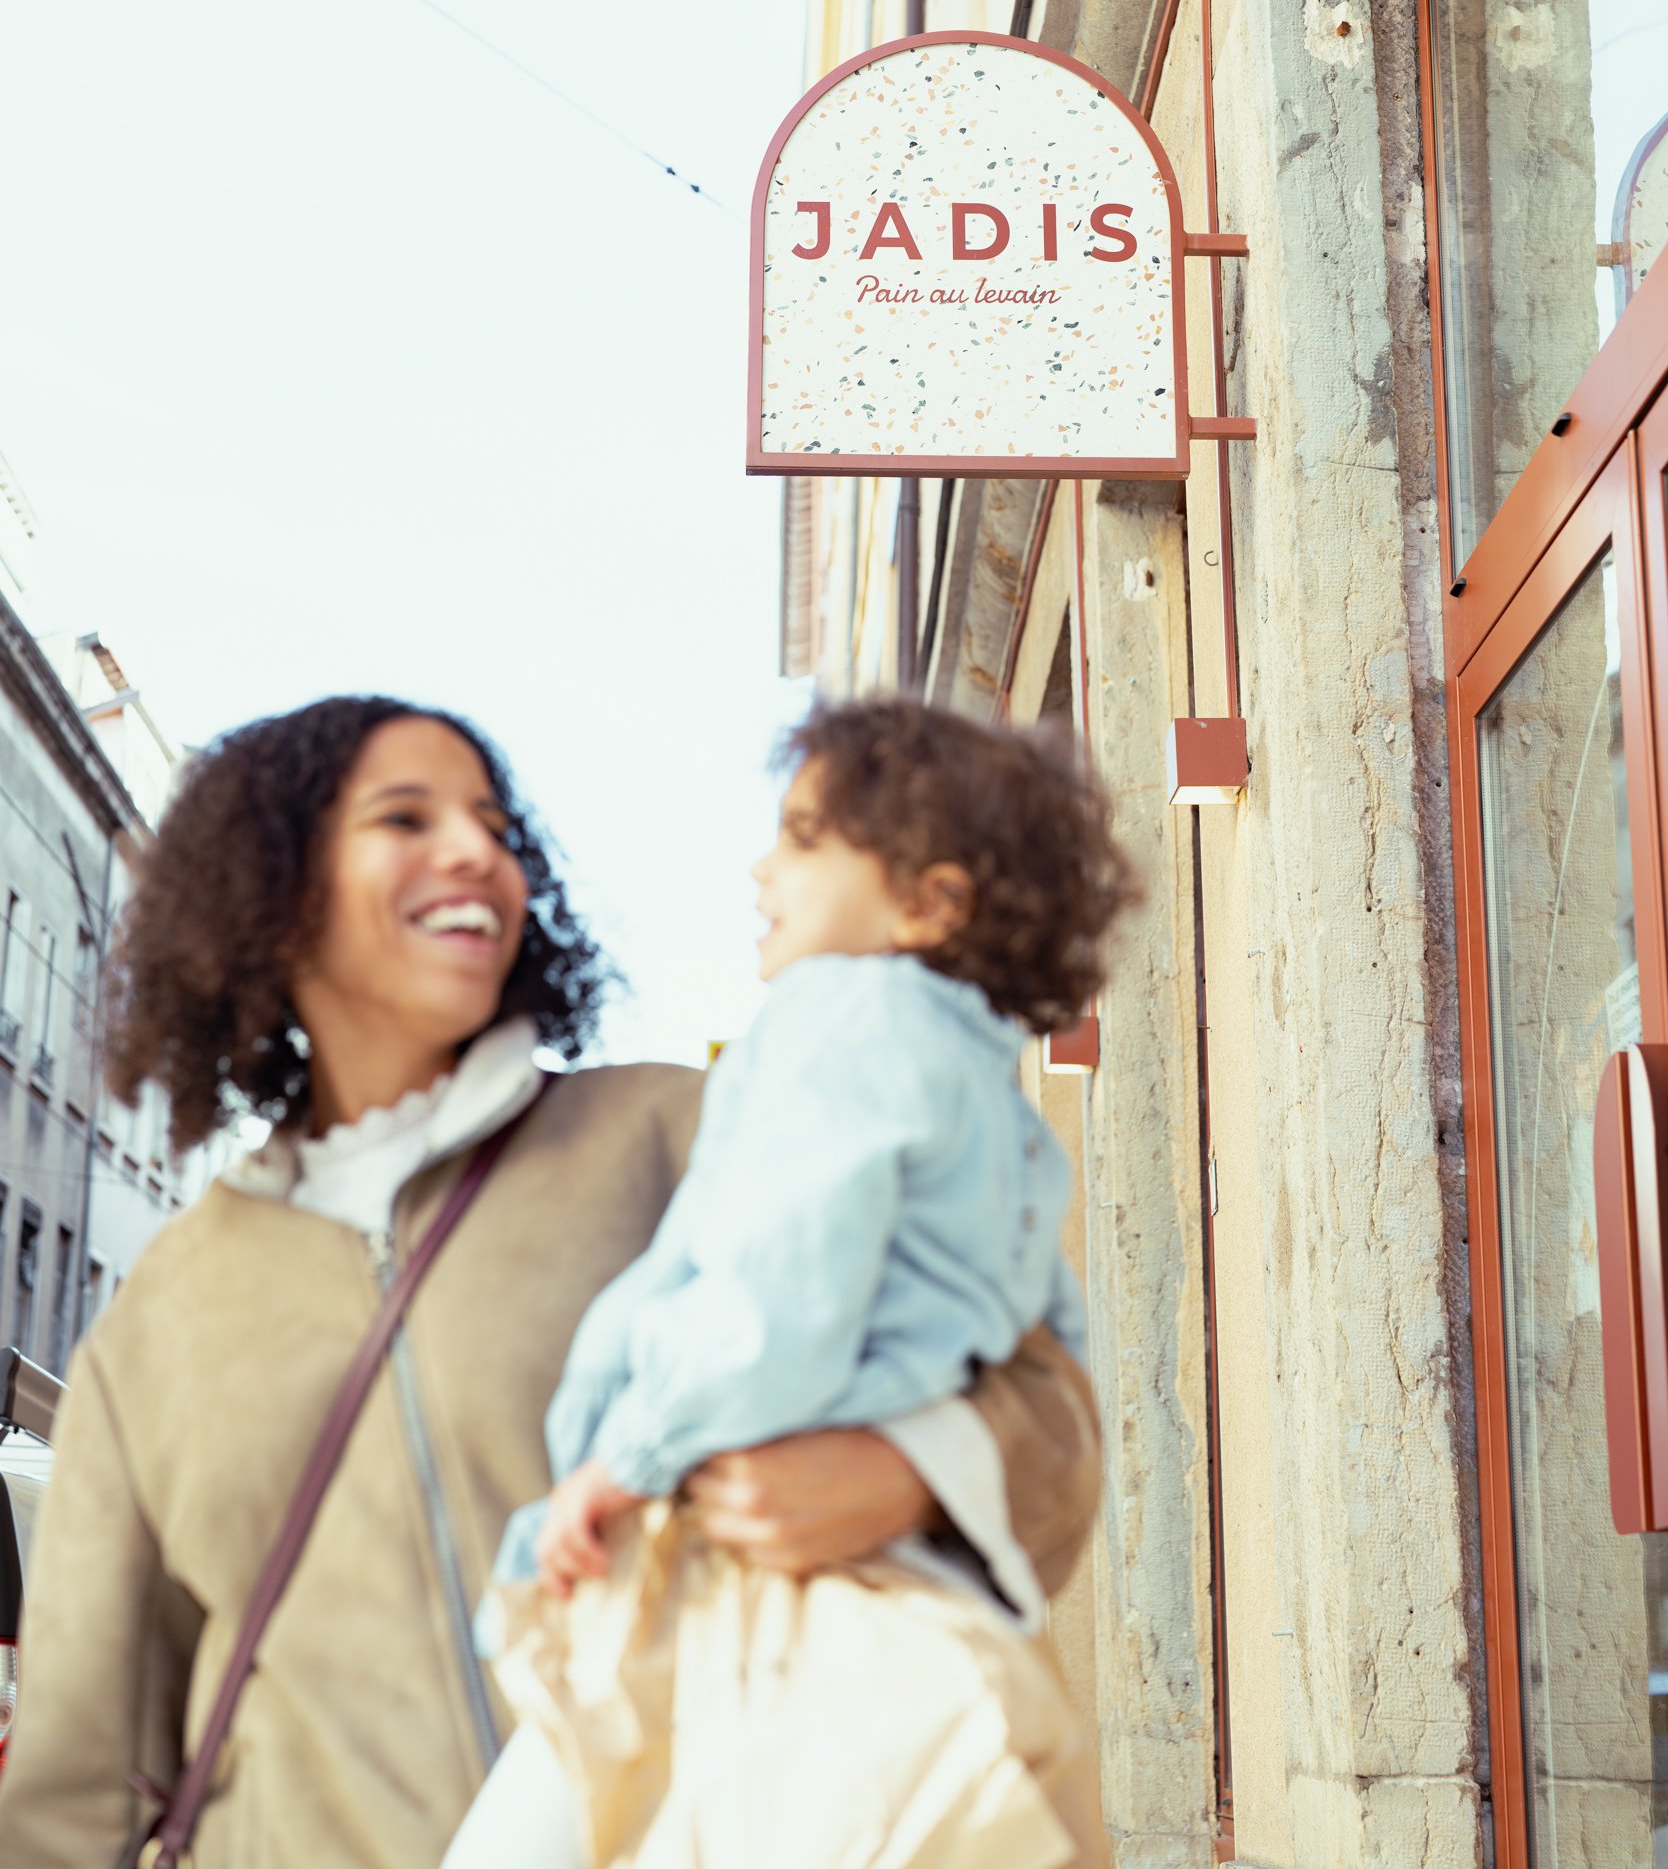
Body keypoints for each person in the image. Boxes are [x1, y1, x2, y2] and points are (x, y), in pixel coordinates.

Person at [0, 694, 1104, 1869]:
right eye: (405, 816)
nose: (478, 849)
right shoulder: (163, 1312)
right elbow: (79, 1774)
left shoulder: (687, 1135)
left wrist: (903, 1473)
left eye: (490, 819)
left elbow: (1053, 1411)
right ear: (273, 893)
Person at [448, 694, 1133, 1869]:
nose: (761, 865)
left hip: (752, 1575)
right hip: (916, 1591)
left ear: (930, 902)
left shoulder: (838, 1017)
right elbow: (1055, 1353)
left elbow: (778, 1298)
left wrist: (630, 1457)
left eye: (805, 838)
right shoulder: (998, 1106)